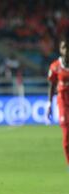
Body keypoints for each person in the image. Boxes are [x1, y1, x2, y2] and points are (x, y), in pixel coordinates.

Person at [47, 35, 69, 165]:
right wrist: (49, 104)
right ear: (60, 50)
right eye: (63, 48)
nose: (66, 50)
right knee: (66, 137)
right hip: (63, 103)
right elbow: (51, 85)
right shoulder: (55, 66)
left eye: (67, 47)